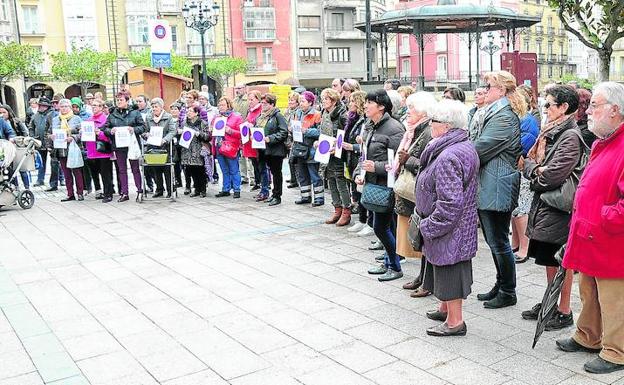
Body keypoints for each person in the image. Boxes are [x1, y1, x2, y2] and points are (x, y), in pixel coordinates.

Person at [555, 82, 624, 375]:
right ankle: (588, 335)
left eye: (595, 105)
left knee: (614, 300)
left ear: (615, 110)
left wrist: (605, 216)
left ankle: (617, 351)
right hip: (591, 235)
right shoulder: (604, 141)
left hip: (611, 239)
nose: (589, 111)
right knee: (589, 292)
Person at [521, 85, 583, 330]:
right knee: (549, 259)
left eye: (548, 104)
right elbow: (529, 161)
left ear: (564, 107)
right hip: (547, 204)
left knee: (560, 261)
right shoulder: (551, 131)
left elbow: (551, 176)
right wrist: (534, 168)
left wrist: (532, 170)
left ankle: (563, 310)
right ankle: (550, 300)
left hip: (557, 207)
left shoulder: (569, 136)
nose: (544, 109)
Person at [416, 99, 479, 337]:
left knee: (450, 270)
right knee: (443, 267)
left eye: (434, 121)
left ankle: (455, 322)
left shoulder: (448, 155)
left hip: (449, 226)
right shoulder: (457, 146)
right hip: (457, 225)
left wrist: (429, 226)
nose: (431, 125)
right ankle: (445, 310)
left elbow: (450, 202)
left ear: (447, 126)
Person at [470, 71, 523, 309]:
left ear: (501, 90)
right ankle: (500, 284)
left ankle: (508, 290)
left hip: (497, 185)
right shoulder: (493, 112)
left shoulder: (504, 117)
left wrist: (458, 152)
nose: (484, 89)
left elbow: (481, 148)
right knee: (494, 241)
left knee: (499, 241)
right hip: (489, 184)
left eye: (488, 86)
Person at [358, 89, 404, 282]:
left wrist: (375, 167)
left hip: (386, 185)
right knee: (387, 226)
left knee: (380, 227)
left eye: (370, 102)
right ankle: (388, 261)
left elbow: (398, 161)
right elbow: (365, 155)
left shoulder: (394, 128)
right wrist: (360, 173)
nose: (366, 105)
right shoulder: (372, 126)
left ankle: (394, 265)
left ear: (382, 106)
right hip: (374, 183)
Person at [394, 92, 436, 298]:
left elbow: (427, 166)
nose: (408, 112)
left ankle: (427, 281)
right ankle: (422, 277)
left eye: (412, 108)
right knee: (419, 236)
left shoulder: (427, 132)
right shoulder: (416, 130)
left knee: (424, 238)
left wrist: (406, 160)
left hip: (421, 192)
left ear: (423, 112)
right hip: (416, 192)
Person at [511, 87, 540, 264]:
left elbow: (523, 144)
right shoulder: (521, 118)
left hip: (523, 168)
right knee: (516, 209)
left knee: (522, 208)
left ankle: (525, 247)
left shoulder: (528, 120)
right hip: (517, 167)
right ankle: (516, 243)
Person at [103, 92, 146, 202]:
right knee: (121, 170)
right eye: (117, 100)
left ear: (127, 101)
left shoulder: (135, 112)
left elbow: (143, 127)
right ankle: (124, 193)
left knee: (135, 168)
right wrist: (110, 131)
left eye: (121, 100)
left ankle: (140, 191)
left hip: (132, 144)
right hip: (119, 145)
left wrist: (134, 129)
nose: (118, 102)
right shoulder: (112, 114)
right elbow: (105, 128)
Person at [319, 88, 349, 225]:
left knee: (340, 181)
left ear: (333, 100)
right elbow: (323, 133)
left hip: (338, 153)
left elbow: (345, 135)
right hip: (326, 151)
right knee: (330, 179)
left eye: (326, 98)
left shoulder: (342, 114)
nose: (323, 101)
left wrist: (336, 148)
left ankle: (346, 210)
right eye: (322, 99)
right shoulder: (324, 113)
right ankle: (337, 209)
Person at [342, 91, 369, 233]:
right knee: (356, 190)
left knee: (362, 191)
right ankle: (361, 219)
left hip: (358, 156)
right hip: (351, 159)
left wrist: (352, 146)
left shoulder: (363, 120)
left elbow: (366, 143)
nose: (349, 103)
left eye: (352, 101)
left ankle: (366, 222)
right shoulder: (352, 119)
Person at [255, 93, 288, 206]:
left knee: (276, 173)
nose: (262, 105)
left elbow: (283, 132)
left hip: (275, 150)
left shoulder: (278, 116)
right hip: (263, 149)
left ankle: (277, 196)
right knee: (266, 170)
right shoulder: (261, 116)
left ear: (272, 104)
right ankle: (272, 194)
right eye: (262, 103)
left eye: (265, 103)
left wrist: (271, 138)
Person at [292, 91, 324, 206]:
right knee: (302, 174)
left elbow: (321, 131)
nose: (300, 103)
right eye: (300, 101)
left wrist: (306, 131)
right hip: (299, 148)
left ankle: (319, 198)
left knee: (314, 174)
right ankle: (305, 196)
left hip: (311, 149)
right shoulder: (298, 113)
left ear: (310, 102)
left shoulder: (317, 114)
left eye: (303, 101)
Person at [49, 99, 84, 202]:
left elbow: (81, 133)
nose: (64, 108)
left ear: (70, 108)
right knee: (66, 173)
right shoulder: (55, 119)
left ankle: (80, 193)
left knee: (76, 172)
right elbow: (50, 132)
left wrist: (73, 137)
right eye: (62, 106)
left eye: (66, 106)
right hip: (61, 149)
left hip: (73, 148)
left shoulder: (76, 118)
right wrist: (51, 137)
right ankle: (70, 194)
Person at [145, 98, 177, 198]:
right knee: (155, 169)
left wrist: (165, 139)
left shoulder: (168, 117)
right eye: (153, 107)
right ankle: (159, 189)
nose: (154, 109)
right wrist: (146, 134)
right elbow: (144, 129)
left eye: (156, 107)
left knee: (167, 169)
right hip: (153, 146)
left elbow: (172, 131)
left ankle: (170, 190)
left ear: (161, 107)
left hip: (165, 146)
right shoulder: (148, 117)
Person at [214, 97, 244, 198]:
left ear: (229, 106)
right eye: (219, 105)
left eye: (223, 105)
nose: (220, 107)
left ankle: (236, 189)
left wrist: (230, 130)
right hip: (219, 146)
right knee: (224, 169)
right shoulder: (217, 117)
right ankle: (225, 189)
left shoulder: (236, 117)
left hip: (230, 147)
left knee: (234, 169)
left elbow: (241, 134)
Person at [85, 99, 114, 203]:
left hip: (103, 151)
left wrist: (100, 134)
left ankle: (108, 193)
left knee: (106, 175)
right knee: (94, 173)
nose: (94, 107)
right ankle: (98, 191)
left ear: (101, 107)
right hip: (91, 151)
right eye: (92, 105)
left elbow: (110, 136)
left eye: (96, 106)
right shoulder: (88, 120)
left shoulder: (106, 119)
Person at [180, 105, 211, 197]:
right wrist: (180, 133)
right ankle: (196, 189)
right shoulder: (185, 123)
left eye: (190, 111)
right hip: (187, 150)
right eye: (187, 111)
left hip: (198, 150)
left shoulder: (202, 123)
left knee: (200, 171)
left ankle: (203, 189)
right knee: (191, 170)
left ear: (196, 113)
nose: (188, 113)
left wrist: (199, 134)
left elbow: (208, 137)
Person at [0, 104, 30, 189]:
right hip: (5, 148)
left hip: (13, 147)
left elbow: (11, 132)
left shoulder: (9, 121)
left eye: (4, 112)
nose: (2, 114)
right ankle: (13, 187)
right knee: (10, 170)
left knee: (21, 168)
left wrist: (12, 139)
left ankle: (26, 187)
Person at [29, 97, 55, 187]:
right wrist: (33, 137)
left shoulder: (52, 114)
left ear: (47, 106)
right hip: (39, 142)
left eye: (43, 106)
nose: (41, 107)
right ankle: (40, 179)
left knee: (55, 162)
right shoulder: (36, 115)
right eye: (40, 105)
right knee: (41, 162)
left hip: (51, 142)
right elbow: (31, 127)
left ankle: (59, 179)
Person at [243, 90, 263, 195]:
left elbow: (261, 123)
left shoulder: (261, 110)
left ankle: (264, 183)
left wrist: (252, 126)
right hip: (249, 140)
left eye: (252, 99)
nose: (249, 101)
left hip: (257, 140)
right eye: (248, 99)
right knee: (254, 162)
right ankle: (257, 181)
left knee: (260, 162)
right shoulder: (250, 110)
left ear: (258, 99)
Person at [284, 91, 300, 189]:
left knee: (293, 160)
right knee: (290, 160)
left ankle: (296, 180)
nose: (290, 102)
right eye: (289, 100)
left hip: (295, 138)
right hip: (289, 138)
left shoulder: (298, 112)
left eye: (292, 100)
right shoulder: (288, 111)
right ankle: (293, 178)